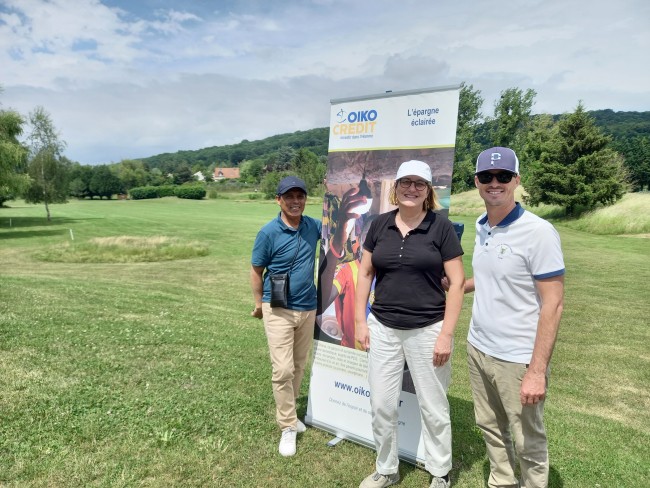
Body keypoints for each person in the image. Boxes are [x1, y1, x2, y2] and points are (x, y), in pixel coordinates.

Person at [354, 160, 465, 488]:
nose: (412, 189)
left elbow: (457, 283)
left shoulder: (440, 228)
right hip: (384, 328)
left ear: (429, 190)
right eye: (406, 182)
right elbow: (365, 273)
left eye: (420, 183)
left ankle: (440, 472)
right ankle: (386, 469)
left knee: (433, 406)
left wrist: (446, 334)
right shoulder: (379, 225)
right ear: (396, 187)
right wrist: (361, 320)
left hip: (428, 329)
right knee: (382, 405)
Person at [464, 147, 565, 488]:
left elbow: (553, 304)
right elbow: (497, 274)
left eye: (503, 177)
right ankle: (502, 482)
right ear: (477, 181)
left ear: (516, 181)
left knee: (527, 440)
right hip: (478, 348)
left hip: (518, 358)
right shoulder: (481, 225)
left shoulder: (538, 232)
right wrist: (461, 285)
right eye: (487, 177)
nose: (495, 183)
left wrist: (537, 371)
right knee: (490, 427)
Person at [250, 176, 322, 457]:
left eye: (300, 196)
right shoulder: (268, 233)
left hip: (308, 307)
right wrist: (258, 303)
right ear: (278, 200)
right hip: (277, 308)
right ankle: (287, 427)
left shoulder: (313, 226)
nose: (295, 202)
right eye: (289, 196)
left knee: (299, 365)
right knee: (283, 369)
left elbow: (342, 223)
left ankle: (289, 414)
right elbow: (256, 270)